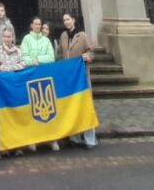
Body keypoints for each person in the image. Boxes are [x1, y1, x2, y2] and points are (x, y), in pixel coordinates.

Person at [59, 12, 97, 149]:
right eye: (64, 20)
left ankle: (90, 139)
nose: (66, 22)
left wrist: (87, 56)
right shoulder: (63, 36)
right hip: (69, 78)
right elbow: (60, 54)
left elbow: (91, 52)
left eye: (68, 19)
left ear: (73, 20)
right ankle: (74, 138)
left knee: (85, 107)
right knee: (72, 107)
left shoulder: (82, 35)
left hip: (81, 77)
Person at [20, 17, 59, 152]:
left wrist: (38, 59)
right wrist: (32, 61)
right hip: (31, 77)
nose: (37, 26)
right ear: (31, 25)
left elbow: (51, 57)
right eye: (35, 24)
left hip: (45, 77)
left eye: (39, 24)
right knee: (32, 108)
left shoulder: (46, 40)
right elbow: (23, 57)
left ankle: (51, 139)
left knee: (49, 108)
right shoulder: (26, 39)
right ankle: (33, 139)